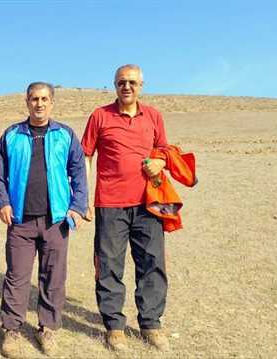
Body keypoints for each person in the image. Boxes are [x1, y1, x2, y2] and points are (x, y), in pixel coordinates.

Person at [0, 82, 88, 358]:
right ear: (27, 102)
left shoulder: (65, 134)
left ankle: (48, 329)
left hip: (56, 219)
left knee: (53, 277)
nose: (39, 104)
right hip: (20, 221)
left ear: (52, 102)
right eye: (34, 99)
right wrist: (3, 202)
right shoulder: (11, 135)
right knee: (17, 276)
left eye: (45, 99)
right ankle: (11, 330)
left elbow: (79, 172)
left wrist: (77, 207)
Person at [81, 64, 171, 352]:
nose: (127, 87)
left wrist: (161, 162)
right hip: (110, 203)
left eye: (132, 82)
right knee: (108, 264)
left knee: (152, 263)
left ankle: (151, 324)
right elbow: (85, 156)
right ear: (115, 86)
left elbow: (164, 151)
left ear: (141, 85)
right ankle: (114, 326)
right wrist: (84, 197)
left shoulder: (154, 116)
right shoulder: (100, 116)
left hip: (149, 203)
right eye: (121, 82)